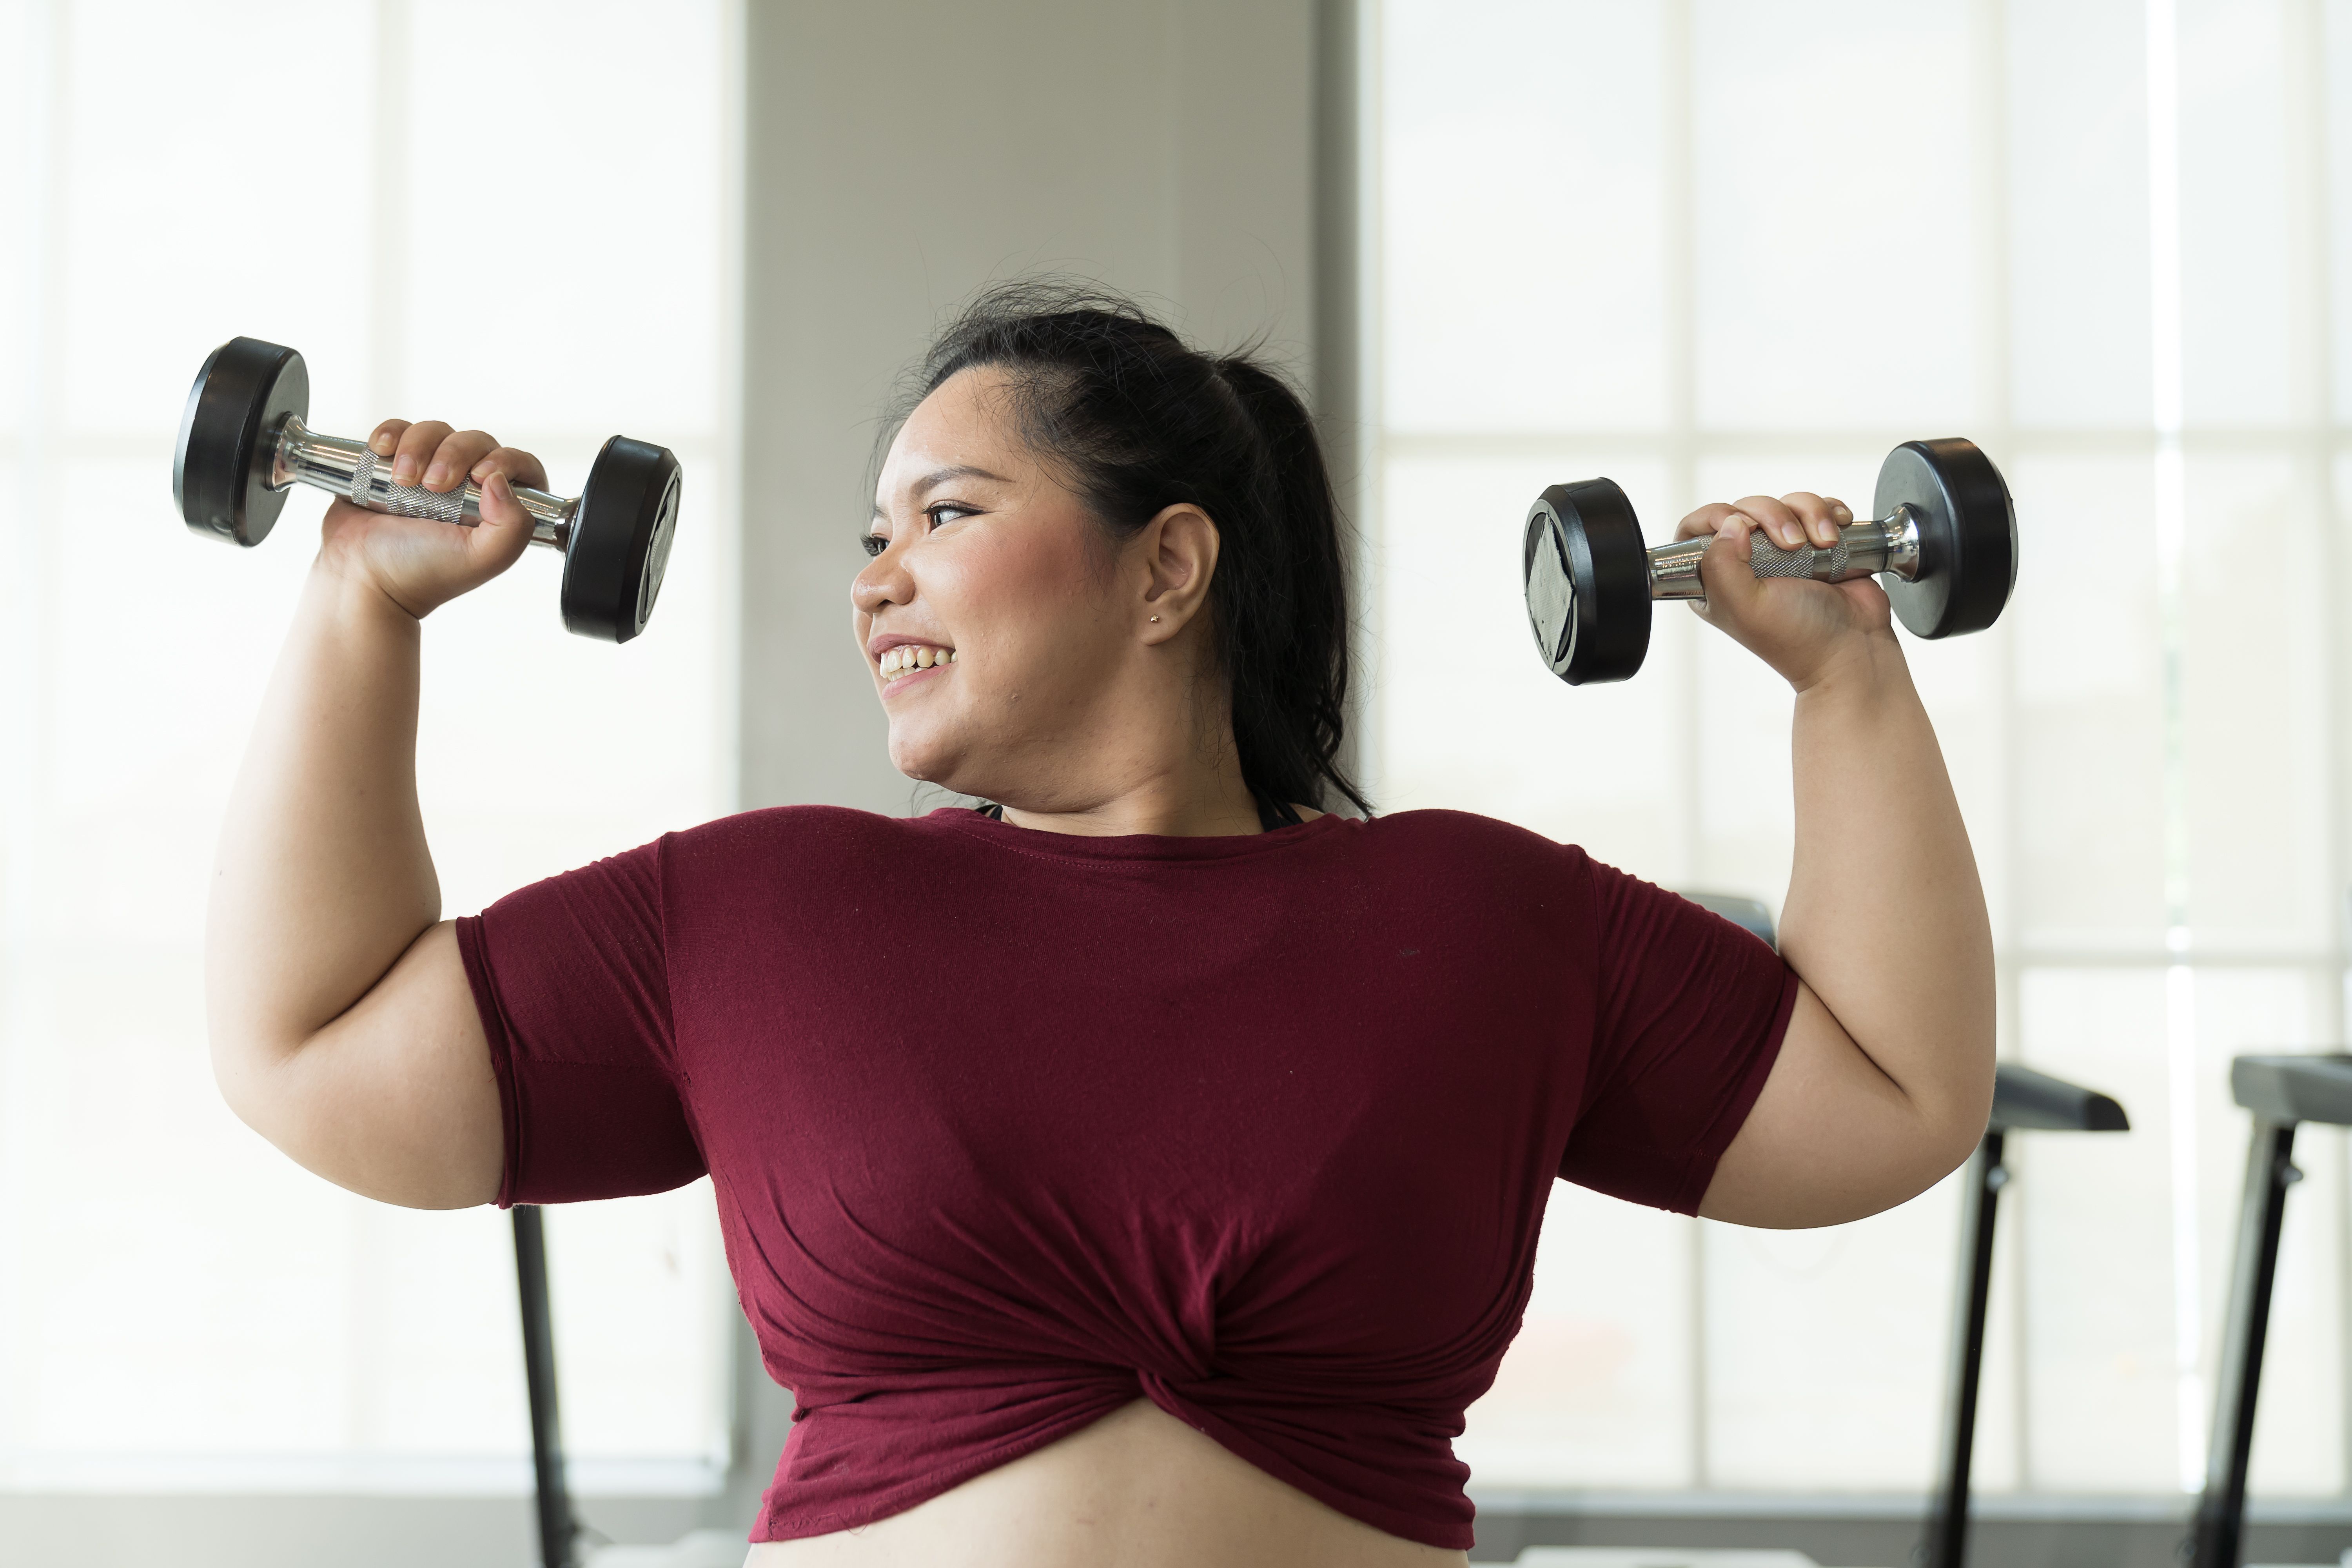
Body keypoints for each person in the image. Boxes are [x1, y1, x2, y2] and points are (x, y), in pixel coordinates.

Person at [206, 283, 1995, 1566]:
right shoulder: (763, 910)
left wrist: (1844, 680)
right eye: (872, 533)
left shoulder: (1477, 914)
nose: (875, 575)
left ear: (1169, 568)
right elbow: (309, 1048)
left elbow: (1896, 1094)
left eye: (949, 513)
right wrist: (365, 606)